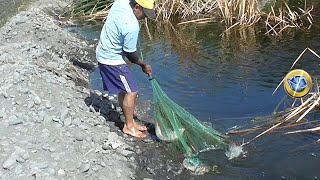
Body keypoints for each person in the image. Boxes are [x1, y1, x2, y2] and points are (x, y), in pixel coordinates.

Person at [96, 0, 156, 138]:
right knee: (131, 91)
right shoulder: (131, 25)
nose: (145, 18)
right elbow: (131, 54)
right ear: (136, 7)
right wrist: (143, 65)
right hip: (110, 60)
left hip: (103, 52)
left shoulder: (120, 3)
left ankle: (130, 121)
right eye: (144, 14)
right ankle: (129, 127)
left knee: (124, 89)